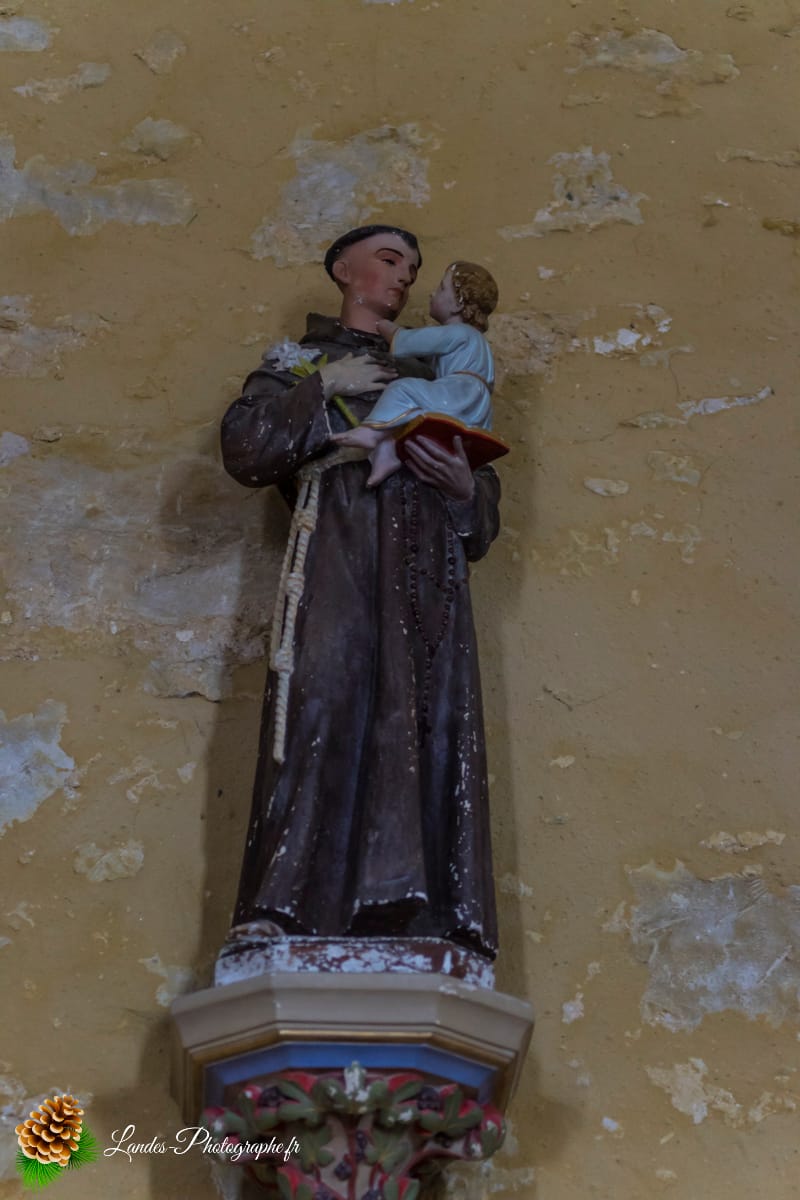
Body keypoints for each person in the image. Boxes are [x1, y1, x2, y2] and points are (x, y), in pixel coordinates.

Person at [219, 225, 500, 959]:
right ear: (344, 270)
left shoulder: (437, 361)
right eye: (388, 261)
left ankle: (419, 912)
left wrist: (468, 489)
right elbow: (247, 451)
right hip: (338, 553)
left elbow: (482, 496)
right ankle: (282, 906)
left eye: (412, 267)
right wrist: (322, 389)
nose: (404, 277)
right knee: (322, 701)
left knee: (423, 717)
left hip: (424, 567)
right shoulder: (301, 361)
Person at [333, 261, 498, 487]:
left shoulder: (458, 332)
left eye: (441, 289)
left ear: (459, 304)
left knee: (403, 390)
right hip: (476, 406)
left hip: (458, 391)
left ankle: (371, 432)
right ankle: (388, 456)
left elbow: (407, 342)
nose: (433, 293)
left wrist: (386, 327)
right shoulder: (476, 341)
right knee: (413, 420)